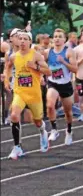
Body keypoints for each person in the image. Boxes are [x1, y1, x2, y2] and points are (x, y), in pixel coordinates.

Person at [4, 31, 52, 159]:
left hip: (34, 94)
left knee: (37, 121)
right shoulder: (14, 56)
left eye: (25, 39)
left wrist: (35, 66)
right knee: (14, 115)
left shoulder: (36, 55)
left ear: (30, 41)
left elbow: (48, 72)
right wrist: (7, 80)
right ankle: (17, 147)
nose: (22, 41)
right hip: (20, 92)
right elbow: (8, 67)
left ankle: (43, 131)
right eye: (20, 39)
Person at [44, 28, 77, 145]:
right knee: (50, 105)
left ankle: (69, 131)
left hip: (65, 84)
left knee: (68, 112)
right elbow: (43, 65)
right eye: (55, 36)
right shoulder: (48, 52)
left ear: (64, 39)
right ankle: (54, 129)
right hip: (53, 83)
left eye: (59, 36)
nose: (57, 38)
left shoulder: (69, 52)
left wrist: (63, 62)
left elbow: (75, 69)